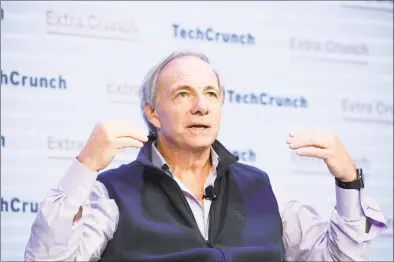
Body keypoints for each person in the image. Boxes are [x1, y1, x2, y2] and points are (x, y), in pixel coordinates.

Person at [24, 51, 387, 262]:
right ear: (152, 113)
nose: (201, 106)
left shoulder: (260, 186)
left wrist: (348, 182)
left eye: (211, 94)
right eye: (183, 94)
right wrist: (85, 166)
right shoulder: (112, 192)